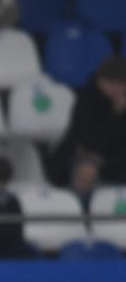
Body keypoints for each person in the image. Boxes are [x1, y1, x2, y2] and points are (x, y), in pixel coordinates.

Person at [49, 55, 126, 186]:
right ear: (101, 81)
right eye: (114, 84)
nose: (118, 89)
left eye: (122, 85)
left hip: (115, 157)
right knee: (87, 170)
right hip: (82, 155)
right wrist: (116, 115)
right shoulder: (86, 100)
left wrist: (107, 161)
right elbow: (87, 141)